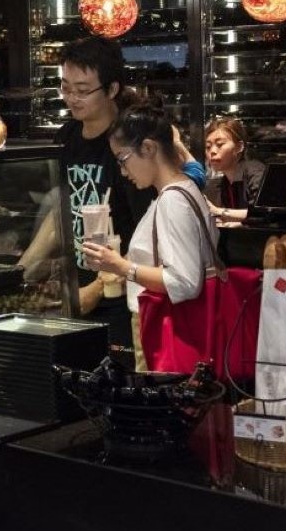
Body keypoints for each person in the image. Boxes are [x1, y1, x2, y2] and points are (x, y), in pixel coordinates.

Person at [18, 37, 154, 353]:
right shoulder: (67, 137)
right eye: (66, 88)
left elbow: (148, 231)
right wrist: (20, 272)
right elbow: (63, 211)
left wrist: (100, 286)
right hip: (77, 290)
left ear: (112, 89)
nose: (72, 98)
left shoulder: (128, 143)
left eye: (82, 90)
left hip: (122, 297)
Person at [83, 104, 219, 370]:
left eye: (123, 159)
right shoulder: (186, 189)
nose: (123, 171)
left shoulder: (172, 201)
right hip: (178, 324)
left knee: (160, 394)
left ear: (148, 148)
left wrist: (122, 267)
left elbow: (184, 282)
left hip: (165, 326)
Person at [202, 118, 266, 225]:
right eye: (208, 147)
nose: (212, 151)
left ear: (239, 147)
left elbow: (262, 214)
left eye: (220, 144)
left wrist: (217, 211)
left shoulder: (256, 173)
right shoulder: (223, 182)